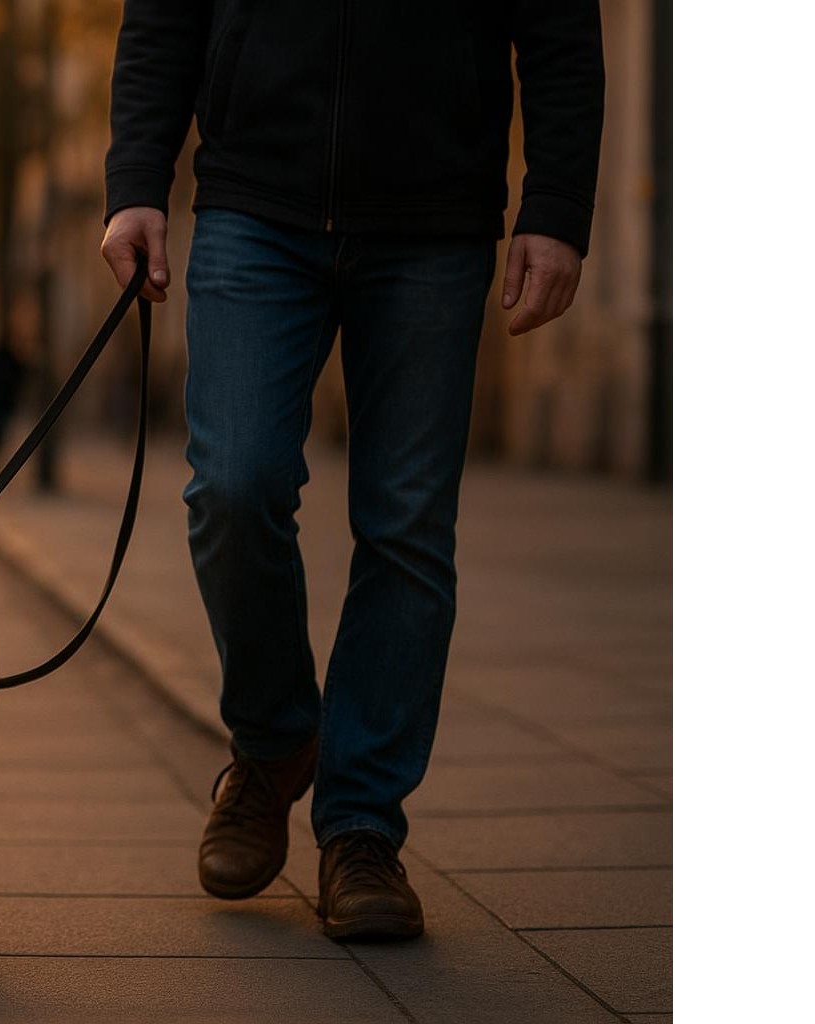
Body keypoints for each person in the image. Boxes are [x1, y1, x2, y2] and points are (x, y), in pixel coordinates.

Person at [100, 1, 603, 941]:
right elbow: (164, 16)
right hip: (255, 203)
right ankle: (274, 739)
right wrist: (136, 180)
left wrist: (559, 203)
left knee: (407, 525)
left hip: (437, 219)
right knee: (233, 485)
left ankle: (363, 825)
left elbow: (563, 27)